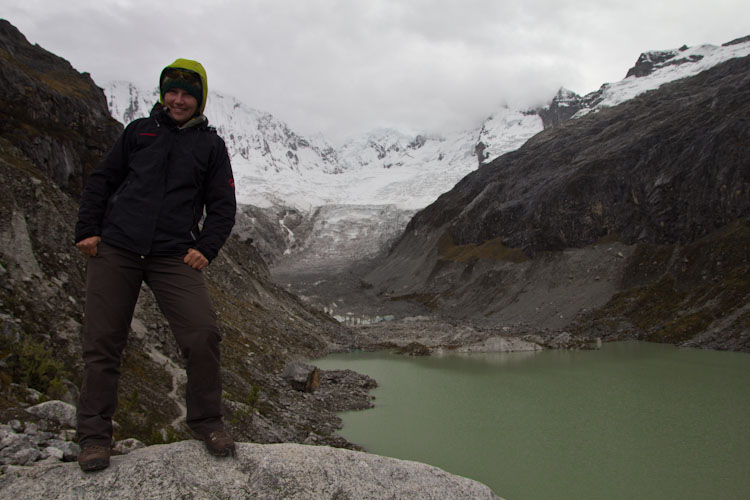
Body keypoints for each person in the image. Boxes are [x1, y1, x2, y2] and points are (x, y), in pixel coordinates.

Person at [74, 58, 237, 472]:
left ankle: (207, 421)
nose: (178, 100)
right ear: (162, 94)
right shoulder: (139, 132)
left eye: (187, 94)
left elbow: (222, 206)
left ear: (199, 98)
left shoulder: (211, 147)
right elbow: (102, 180)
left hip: (172, 254)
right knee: (102, 342)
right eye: (172, 92)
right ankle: (94, 437)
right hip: (118, 249)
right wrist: (88, 230)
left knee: (202, 334)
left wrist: (207, 247)